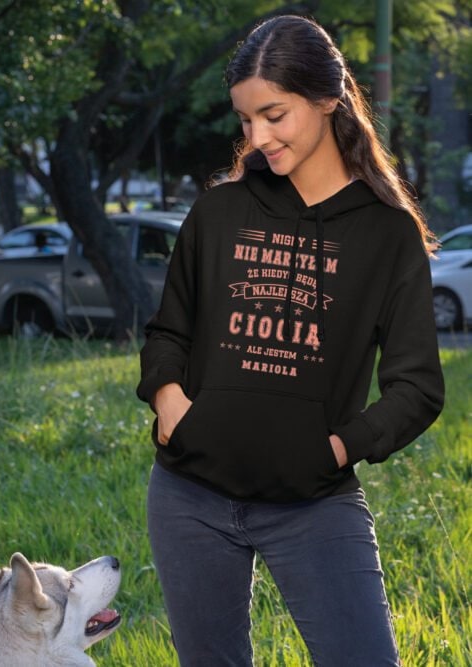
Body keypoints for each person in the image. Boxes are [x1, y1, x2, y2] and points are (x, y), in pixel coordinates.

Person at [137, 15, 445, 667]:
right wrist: (170, 403)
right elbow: (168, 332)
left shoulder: (386, 235)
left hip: (312, 501)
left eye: (274, 115)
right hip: (190, 496)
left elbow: (417, 387)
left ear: (329, 100)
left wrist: (336, 447)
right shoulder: (219, 211)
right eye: (246, 119)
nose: (257, 136)